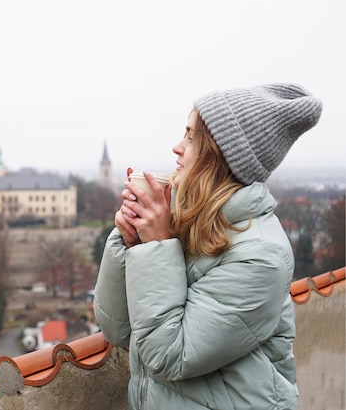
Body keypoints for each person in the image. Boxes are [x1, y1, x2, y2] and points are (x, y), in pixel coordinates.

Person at [93, 83, 322, 410]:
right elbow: (119, 330)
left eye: (190, 137)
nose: (177, 147)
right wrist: (130, 244)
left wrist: (158, 244)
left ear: (221, 156)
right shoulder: (187, 223)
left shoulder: (260, 257)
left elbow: (168, 355)